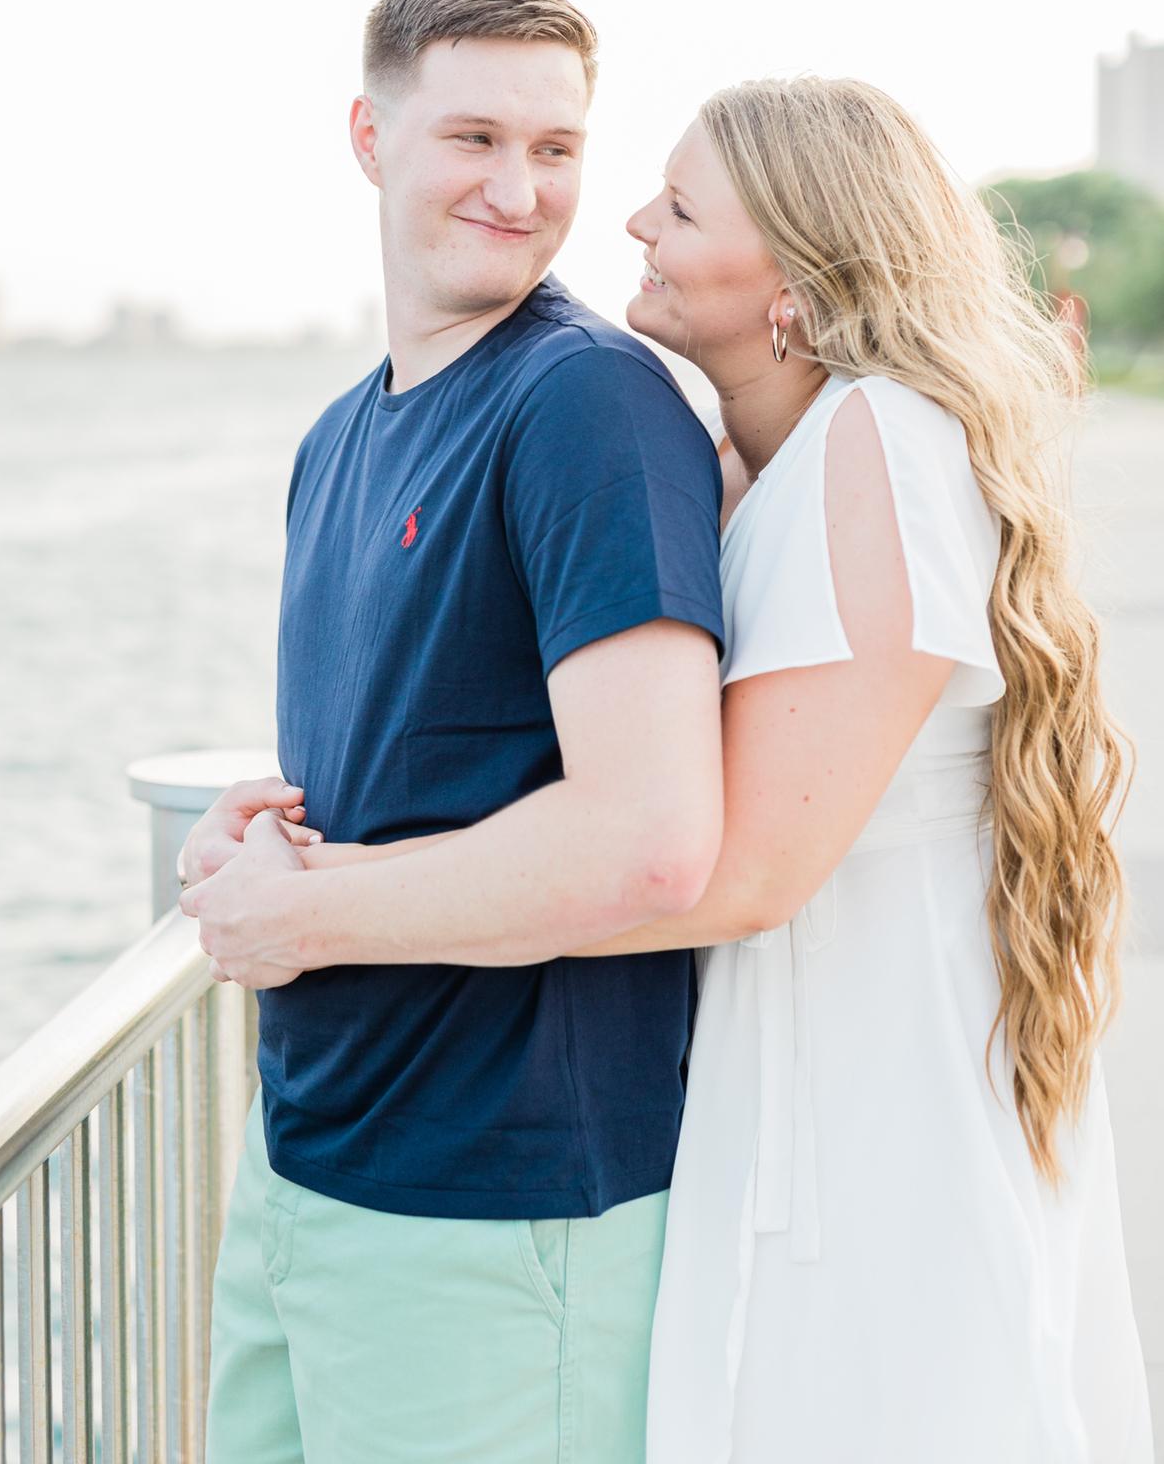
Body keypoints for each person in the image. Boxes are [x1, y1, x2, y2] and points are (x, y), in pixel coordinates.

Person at [198, 75, 1153, 1462]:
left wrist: (320, 908)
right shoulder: (744, 466)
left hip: (871, 1085)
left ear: (797, 273)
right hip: (774, 1061)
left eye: (683, 203)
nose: (631, 219)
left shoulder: (878, 445)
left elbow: (735, 868)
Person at [180, 0, 728, 1463]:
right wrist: (266, 846)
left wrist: (308, 919)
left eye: (555, 149)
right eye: (473, 138)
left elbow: (651, 841)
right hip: (307, 1168)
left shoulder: (586, 406)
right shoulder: (335, 439)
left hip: (503, 1215)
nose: (519, 188)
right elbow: (417, 765)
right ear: (370, 137)